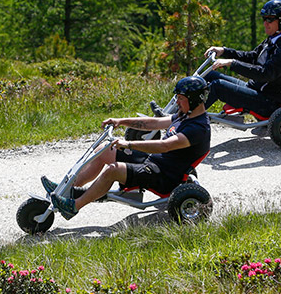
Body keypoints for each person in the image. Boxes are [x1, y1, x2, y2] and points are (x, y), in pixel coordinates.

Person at [43, 76, 211, 220]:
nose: (177, 101)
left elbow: (164, 146)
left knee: (112, 170)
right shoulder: (184, 115)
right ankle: (68, 190)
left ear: (194, 99)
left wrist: (128, 144)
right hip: (153, 162)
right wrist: (120, 121)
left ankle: (73, 206)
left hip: (164, 176)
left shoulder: (197, 128)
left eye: (181, 98)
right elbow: (154, 123)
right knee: (105, 149)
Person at [202, 0, 281, 119]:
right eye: (264, 19)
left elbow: (266, 74)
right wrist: (224, 51)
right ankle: (182, 110)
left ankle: (190, 121)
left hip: (268, 102)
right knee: (209, 75)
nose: (265, 23)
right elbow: (252, 57)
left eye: (270, 19)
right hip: (255, 89)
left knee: (217, 86)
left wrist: (232, 63)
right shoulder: (273, 39)